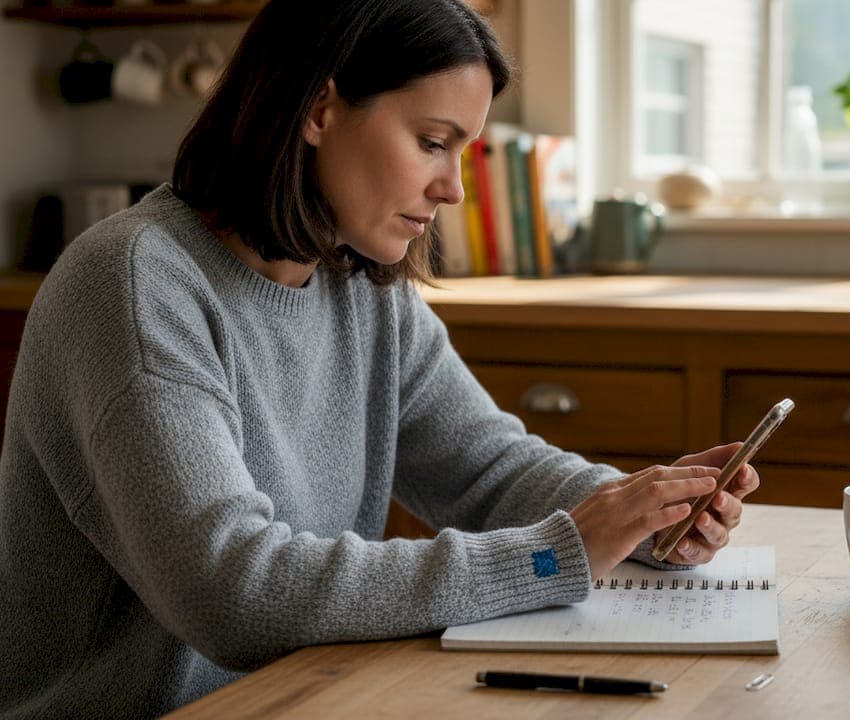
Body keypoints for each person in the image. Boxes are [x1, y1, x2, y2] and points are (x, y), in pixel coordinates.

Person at [0, 1, 759, 717]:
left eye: (464, 151)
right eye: (432, 142)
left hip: (304, 696)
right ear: (319, 111)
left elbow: (487, 470)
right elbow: (233, 592)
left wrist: (642, 510)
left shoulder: (357, 282)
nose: (453, 189)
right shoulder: (134, 287)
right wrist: (552, 555)